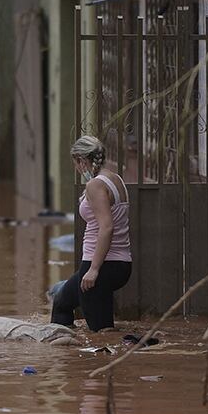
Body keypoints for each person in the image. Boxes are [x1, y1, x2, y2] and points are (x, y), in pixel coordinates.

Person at [51, 135, 132, 332]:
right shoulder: (115, 179)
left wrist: (94, 269)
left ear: (81, 160)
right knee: (62, 303)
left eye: (76, 163)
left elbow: (107, 227)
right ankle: (70, 355)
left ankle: (95, 360)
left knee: (102, 334)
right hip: (119, 263)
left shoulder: (95, 185)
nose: (77, 169)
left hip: (102, 265)